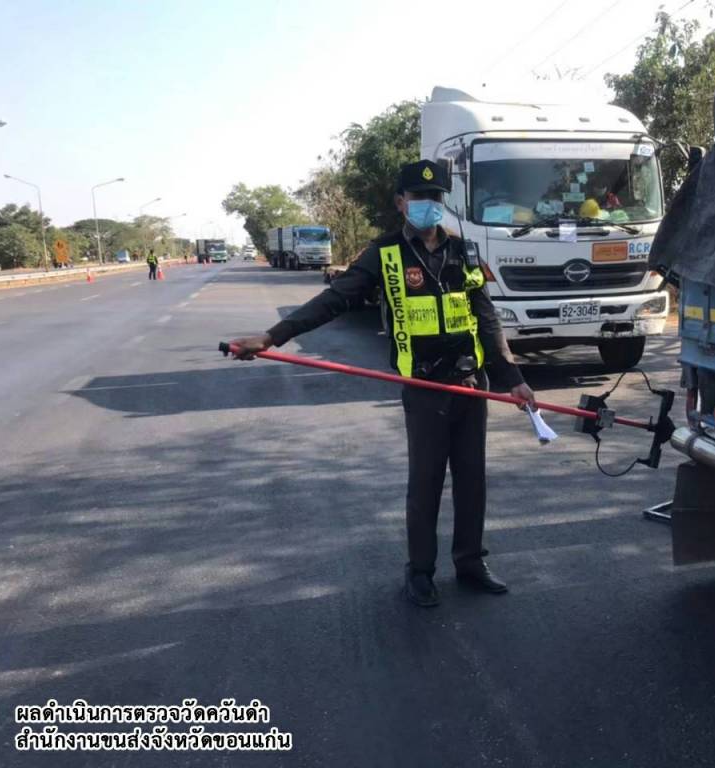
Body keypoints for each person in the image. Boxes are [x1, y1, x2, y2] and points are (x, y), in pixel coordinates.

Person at [230, 160, 537, 608]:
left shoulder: (464, 251)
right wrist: (273, 337)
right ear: (401, 202)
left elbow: (486, 319)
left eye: (435, 197)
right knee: (426, 484)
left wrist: (514, 379)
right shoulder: (385, 253)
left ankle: (471, 562)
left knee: (473, 481)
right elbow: (335, 299)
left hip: (471, 385)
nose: (428, 204)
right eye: (419, 197)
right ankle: (420, 572)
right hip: (425, 388)